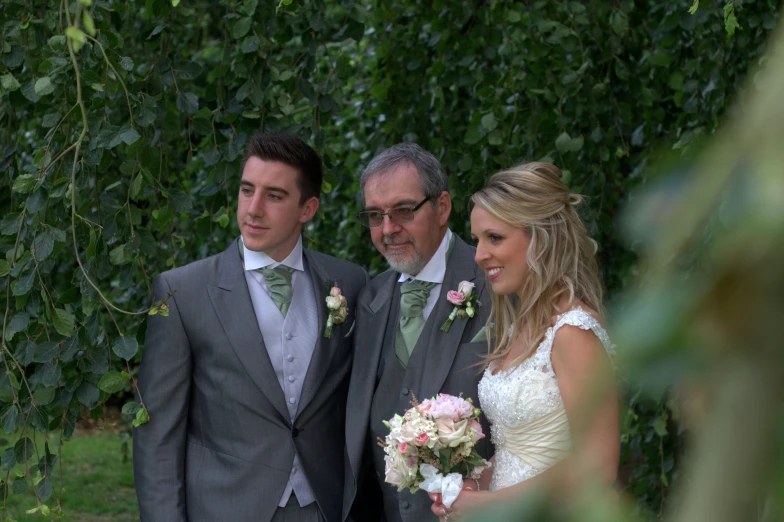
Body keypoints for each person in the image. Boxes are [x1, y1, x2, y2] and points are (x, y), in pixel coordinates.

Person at [133, 132, 368, 522]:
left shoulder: (349, 281)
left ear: (307, 208)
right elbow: (157, 436)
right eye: (246, 190)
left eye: (274, 196)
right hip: (225, 508)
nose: (253, 209)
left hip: (323, 507)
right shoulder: (182, 291)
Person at [430, 162, 620, 521]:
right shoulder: (522, 329)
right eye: (477, 240)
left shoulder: (573, 332)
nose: (479, 254)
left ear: (541, 238)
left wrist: (488, 504)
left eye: (495, 238)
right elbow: (521, 451)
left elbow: (598, 467)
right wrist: (471, 485)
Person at [343, 143, 493, 522]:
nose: (388, 229)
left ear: (442, 207)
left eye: (404, 211)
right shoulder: (370, 299)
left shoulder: (496, 286)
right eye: (375, 216)